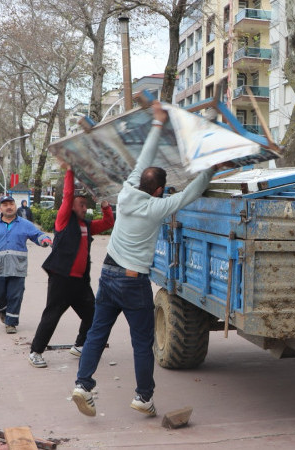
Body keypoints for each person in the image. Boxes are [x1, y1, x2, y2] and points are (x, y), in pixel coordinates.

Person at [71, 101, 228, 417]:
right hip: (132, 280)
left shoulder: (127, 192)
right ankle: (143, 397)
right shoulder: (158, 207)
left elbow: (144, 158)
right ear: (158, 191)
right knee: (142, 343)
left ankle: (83, 385)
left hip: (108, 273)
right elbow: (189, 195)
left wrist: (157, 123)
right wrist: (211, 169)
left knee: (97, 334)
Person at [28, 168, 115, 369]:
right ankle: (36, 352)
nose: (84, 208)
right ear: (72, 206)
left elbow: (109, 222)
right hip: (61, 279)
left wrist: (104, 204)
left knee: (92, 315)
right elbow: (67, 196)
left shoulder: (86, 225)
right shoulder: (63, 220)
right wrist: (70, 171)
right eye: (81, 204)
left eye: (86, 205)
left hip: (80, 282)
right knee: (52, 316)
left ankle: (80, 345)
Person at [0, 195, 52, 334]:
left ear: (15, 206)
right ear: (0, 208)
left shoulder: (24, 224)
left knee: (15, 295)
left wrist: (44, 240)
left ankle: (11, 323)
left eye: (11, 204)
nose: (9, 207)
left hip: (18, 266)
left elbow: (37, 234)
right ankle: (4, 311)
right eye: (5, 205)